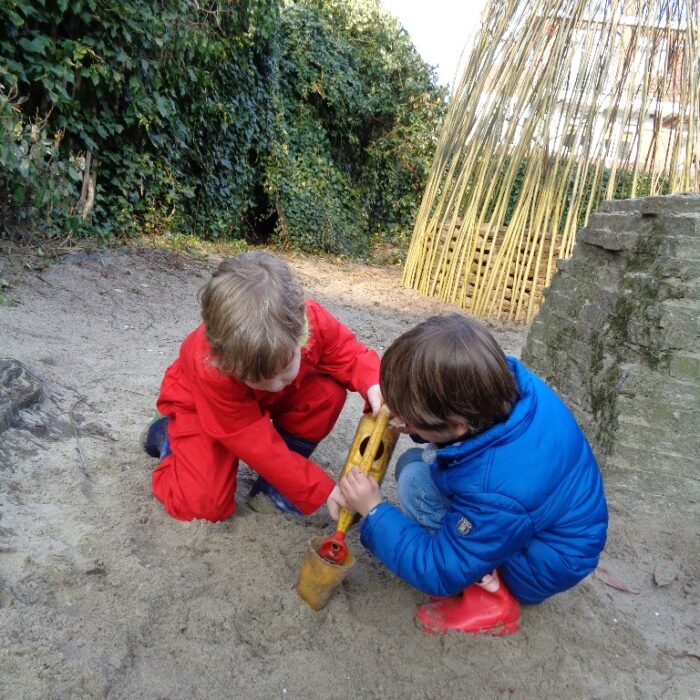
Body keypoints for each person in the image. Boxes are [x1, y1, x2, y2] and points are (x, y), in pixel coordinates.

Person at [339, 314, 608, 636]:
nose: (400, 421)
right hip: (542, 526)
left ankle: (490, 598)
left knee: (416, 485)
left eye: (409, 418)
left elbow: (437, 569)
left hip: (541, 564)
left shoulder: (500, 490)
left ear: (456, 425)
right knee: (415, 461)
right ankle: (480, 559)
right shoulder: (495, 387)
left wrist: (373, 510)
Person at [143, 251, 381, 522]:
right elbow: (256, 444)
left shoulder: (309, 322)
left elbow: (348, 353)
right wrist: (322, 489)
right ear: (225, 362)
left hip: (254, 406)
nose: (277, 383)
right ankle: (167, 436)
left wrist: (374, 382)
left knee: (326, 393)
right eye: (258, 377)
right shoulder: (213, 370)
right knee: (203, 506)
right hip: (205, 407)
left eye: (284, 368)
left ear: (299, 333)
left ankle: (274, 489)